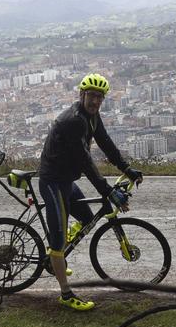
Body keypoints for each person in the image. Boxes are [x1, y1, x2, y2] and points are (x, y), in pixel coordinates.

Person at [37, 72, 141, 311]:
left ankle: (56, 257)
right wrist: (107, 191)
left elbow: (106, 143)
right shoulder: (74, 121)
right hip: (53, 181)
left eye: (99, 97)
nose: (95, 101)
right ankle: (65, 292)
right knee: (58, 240)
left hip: (67, 180)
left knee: (86, 218)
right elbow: (86, 161)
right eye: (91, 96)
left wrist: (126, 168)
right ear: (82, 95)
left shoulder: (92, 117)